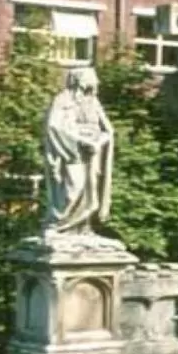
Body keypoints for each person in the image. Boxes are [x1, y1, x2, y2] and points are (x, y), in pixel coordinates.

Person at [42, 67, 113, 235]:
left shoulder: (93, 102)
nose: (96, 82)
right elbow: (54, 126)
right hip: (71, 152)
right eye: (92, 78)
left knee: (90, 192)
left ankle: (82, 228)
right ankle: (59, 225)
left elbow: (108, 129)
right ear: (80, 80)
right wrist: (80, 141)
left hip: (92, 153)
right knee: (74, 188)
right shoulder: (62, 100)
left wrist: (98, 142)